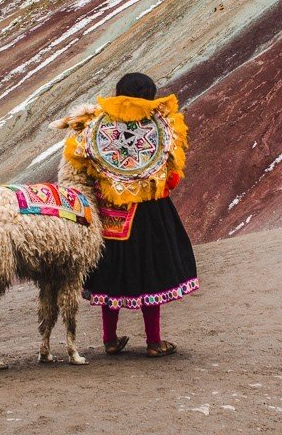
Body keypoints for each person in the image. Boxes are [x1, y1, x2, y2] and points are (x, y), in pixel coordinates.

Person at [61, 72, 198, 357]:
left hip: (110, 212)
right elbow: (171, 177)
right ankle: (153, 342)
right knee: (151, 273)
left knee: (112, 273)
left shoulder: (96, 127)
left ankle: (109, 339)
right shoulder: (163, 128)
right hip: (151, 214)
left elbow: (83, 165)